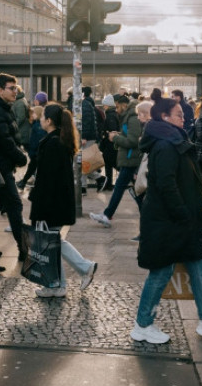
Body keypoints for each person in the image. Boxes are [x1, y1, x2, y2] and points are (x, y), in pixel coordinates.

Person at [131, 96, 202, 344]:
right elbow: (166, 184)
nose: (184, 117)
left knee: (198, 262)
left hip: (178, 219)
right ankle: (142, 324)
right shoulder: (165, 145)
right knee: (161, 271)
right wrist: (183, 213)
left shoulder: (173, 140)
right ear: (164, 117)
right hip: (169, 220)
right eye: (178, 114)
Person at [29, 103, 98, 297]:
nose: (40, 119)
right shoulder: (59, 140)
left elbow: (48, 179)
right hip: (58, 202)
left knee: (51, 241)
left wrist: (40, 204)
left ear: (49, 121)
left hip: (52, 203)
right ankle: (70, 276)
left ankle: (58, 284)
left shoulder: (52, 143)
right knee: (54, 240)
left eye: (42, 116)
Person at [0, 73, 29, 262]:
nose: (15, 92)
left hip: (2, 166)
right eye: (11, 88)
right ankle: (23, 248)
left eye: (16, 88)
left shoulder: (3, 108)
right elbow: (4, 140)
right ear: (0, 90)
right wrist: (20, 157)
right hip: (0, 167)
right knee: (14, 205)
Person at [90, 94, 142, 227]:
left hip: (131, 158)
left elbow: (132, 141)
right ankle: (108, 214)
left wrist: (115, 138)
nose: (116, 110)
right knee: (136, 191)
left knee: (121, 188)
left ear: (124, 105)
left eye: (117, 107)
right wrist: (119, 135)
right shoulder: (129, 117)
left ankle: (107, 215)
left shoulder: (132, 118)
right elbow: (130, 136)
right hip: (129, 158)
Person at [99, 93, 120, 191]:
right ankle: (108, 184)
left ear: (108, 105)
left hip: (110, 144)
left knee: (110, 162)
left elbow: (112, 131)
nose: (103, 107)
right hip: (111, 144)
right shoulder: (112, 114)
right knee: (109, 163)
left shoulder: (110, 116)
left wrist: (106, 133)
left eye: (104, 105)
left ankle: (109, 183)